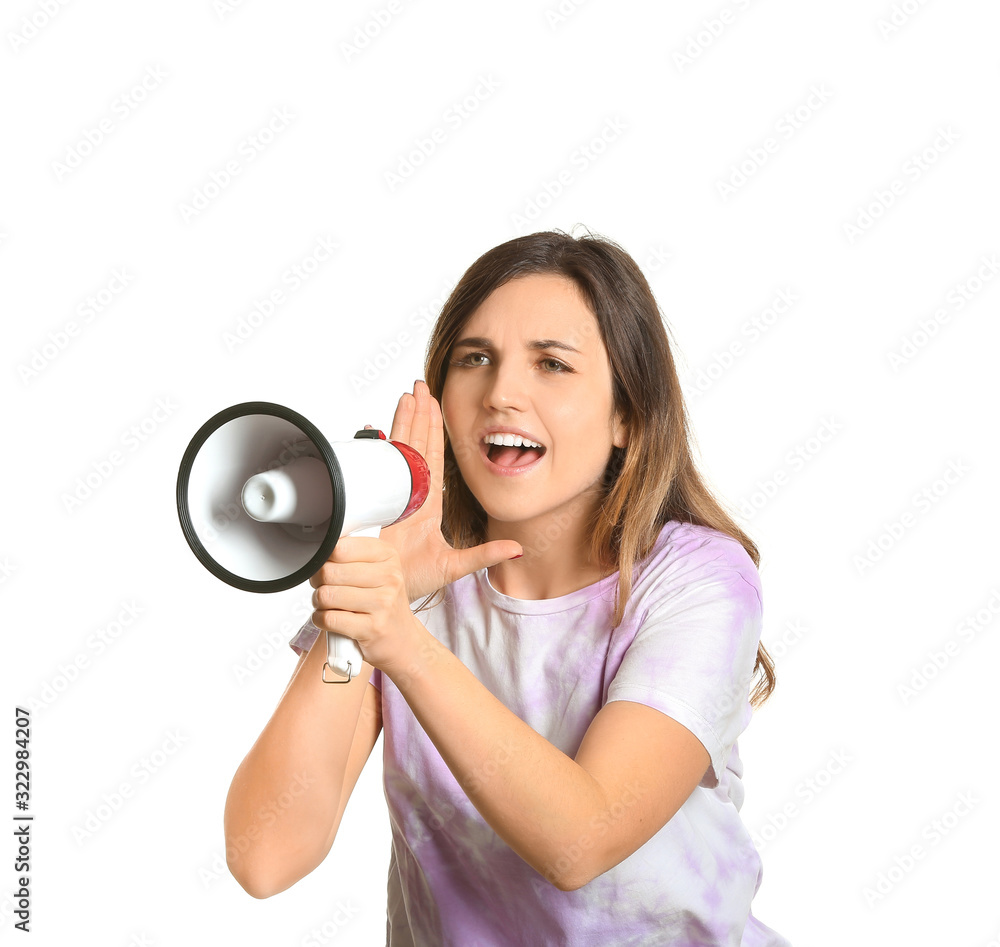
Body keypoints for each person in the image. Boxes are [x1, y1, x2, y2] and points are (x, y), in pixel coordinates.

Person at [224, 230, 790, 945]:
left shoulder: (698, 580)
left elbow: (580, 840)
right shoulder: (406, 585)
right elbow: (265, 854)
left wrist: (400, 639)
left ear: (627, 415)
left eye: (552, 364)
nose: (501, 393)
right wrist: (354, 621)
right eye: (475, 359)